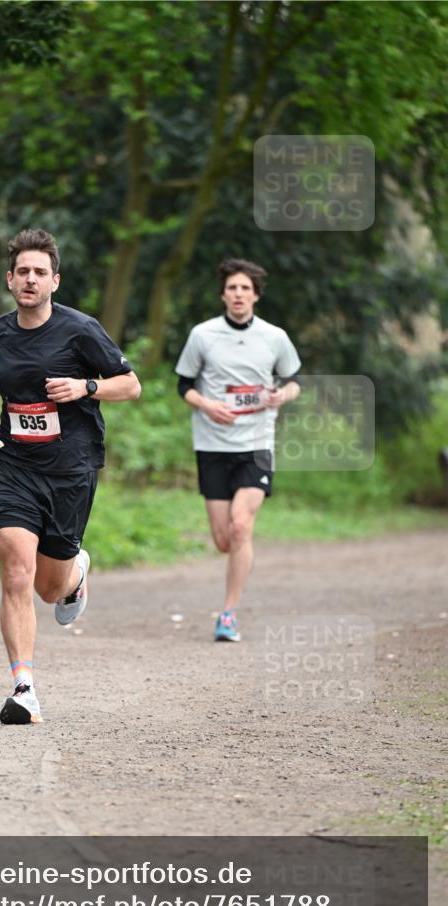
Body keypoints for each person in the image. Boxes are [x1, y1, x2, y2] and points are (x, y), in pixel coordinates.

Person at [0, 228, 141, 723]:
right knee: (16, 572)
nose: (31, 280)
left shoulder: (80, 329)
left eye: (40, 272)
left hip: (70, 470)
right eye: (23, 272)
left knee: (48, 587)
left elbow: (131, 385)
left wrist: (86, 386)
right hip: (15, 465)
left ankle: (76, 574)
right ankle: (24, 689)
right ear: (10, 279)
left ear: (54, 281)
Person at [175, 257, 301, 642]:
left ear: (256, 295)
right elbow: (184, 385)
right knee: (223, 540)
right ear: (224, 295)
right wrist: (207, 404)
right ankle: (236, 568)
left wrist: (283, 394)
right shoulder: (203, 335)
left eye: (245, 288)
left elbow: (294, 379)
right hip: (212, 445)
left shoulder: (274, 337)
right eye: (232, 288)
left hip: (255, 443)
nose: (238, 294)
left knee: (241, 526)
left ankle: (227, 614)